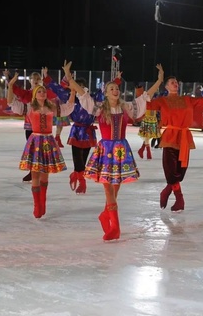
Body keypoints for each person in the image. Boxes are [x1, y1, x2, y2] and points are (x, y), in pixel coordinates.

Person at [66, 60, 164, 241]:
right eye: (111, 89)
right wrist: (70, 78)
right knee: (108, 189)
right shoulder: (99, 108)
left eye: (116, 88)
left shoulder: (126, 107)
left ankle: (106, 215)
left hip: (120, 150)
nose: (115, 91)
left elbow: (145, 98)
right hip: (105, 150)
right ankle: (115, 227)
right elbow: (82, 95)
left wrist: (159, 81)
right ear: (106, 92)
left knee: (115, 187)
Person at [147, 65, 203, 212]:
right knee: (171, 170)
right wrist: (140, 90)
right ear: (166, 87)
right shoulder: (161, 101)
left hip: (184, 138)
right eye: (172, 82)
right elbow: (146, 103)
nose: (175, 83)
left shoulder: (187, 100)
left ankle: (167, 190)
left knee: (180, 171)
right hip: (170, 137)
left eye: (176, 82)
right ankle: (180, 199)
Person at [8, 71, 74, 218]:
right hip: (36, 142)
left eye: (44, 91)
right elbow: (11, 103)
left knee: (45, 176)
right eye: (40, 91)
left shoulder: (52, 107)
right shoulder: (29, 107)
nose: (43, 93)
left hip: (48, 142)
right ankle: (37, 205)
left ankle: (42, 202)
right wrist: (11, 86)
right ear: (35, 94)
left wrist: (73, 91)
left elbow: (68, 107)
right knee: (36, 175)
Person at [44, 65, 100, 194]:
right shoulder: (70, 98)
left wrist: (117, 81)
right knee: (77, 159)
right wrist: (47, 78)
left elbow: (104, 95)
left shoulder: (90, 99)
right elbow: (57, 89)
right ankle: (82, 181)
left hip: (88, 131)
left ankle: (77, 175)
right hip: (77, 131)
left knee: (83, 159)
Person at [11, 69, 58, 183]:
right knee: (34, 151)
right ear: (30, 81)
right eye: (34, 79)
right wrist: (10, 81)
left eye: (38, 79)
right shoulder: (27, 94)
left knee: (42, 151)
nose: (36, 81)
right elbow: (16, 90)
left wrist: (47, 77)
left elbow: (54, 92)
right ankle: (34, 171)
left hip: (44, 128)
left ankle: (38, 171)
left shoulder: (44, 94)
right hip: (30, 126)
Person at [137, 85, 161, 160]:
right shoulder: (145, 98)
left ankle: (142, 149)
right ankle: (148, 151)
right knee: (147, 136)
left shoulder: (156, 99)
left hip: (153, 119)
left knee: (149, 136)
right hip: (147, 119)